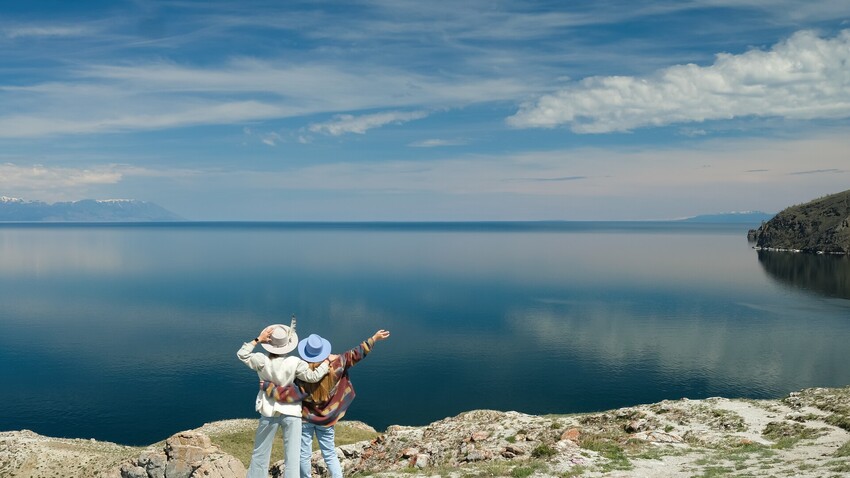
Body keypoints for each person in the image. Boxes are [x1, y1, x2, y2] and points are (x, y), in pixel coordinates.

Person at [259, 329, 390, 478]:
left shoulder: (302, 375)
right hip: (328, 419)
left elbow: (290, 394)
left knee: (304, 454)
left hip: (306, 419)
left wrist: (268, 387)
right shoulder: (338, 364)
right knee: (329, 453)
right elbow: (356, 354)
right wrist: (374, 338)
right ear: (323, 352)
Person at [237, 318, 330, 478]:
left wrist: (258, 339)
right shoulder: (295, 362)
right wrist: (325, 364)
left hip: (268, 410)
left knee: (260, 453)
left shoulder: (261, 360)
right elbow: (313, 376)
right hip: (291, 411)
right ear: (288, 344)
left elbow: (242, 355)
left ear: (270, 343)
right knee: (292, 457)